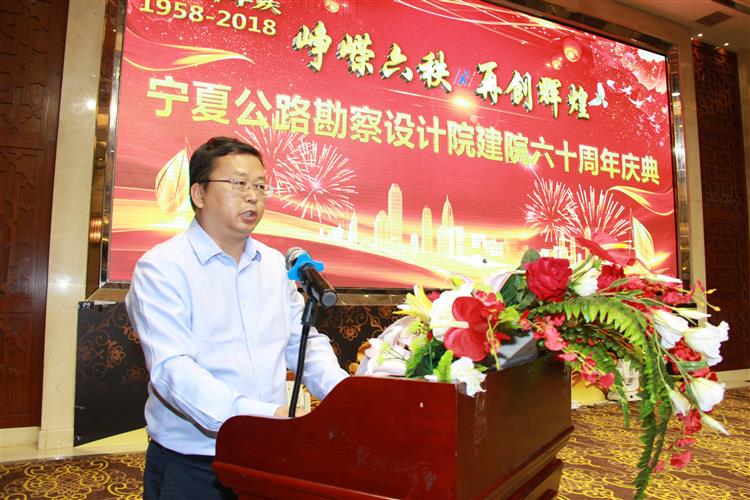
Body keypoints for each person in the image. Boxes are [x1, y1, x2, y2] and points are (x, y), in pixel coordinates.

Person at [126, 136, 349, 500]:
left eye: (260, 186)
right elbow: (172, 369)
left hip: (268, 453)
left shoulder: (274, 265)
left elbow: (302, 342)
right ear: (199, 194)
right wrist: (262, 416)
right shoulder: (162, 268)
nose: (252, 196)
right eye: (239, 184)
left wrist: (346, 398)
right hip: (194, 464)